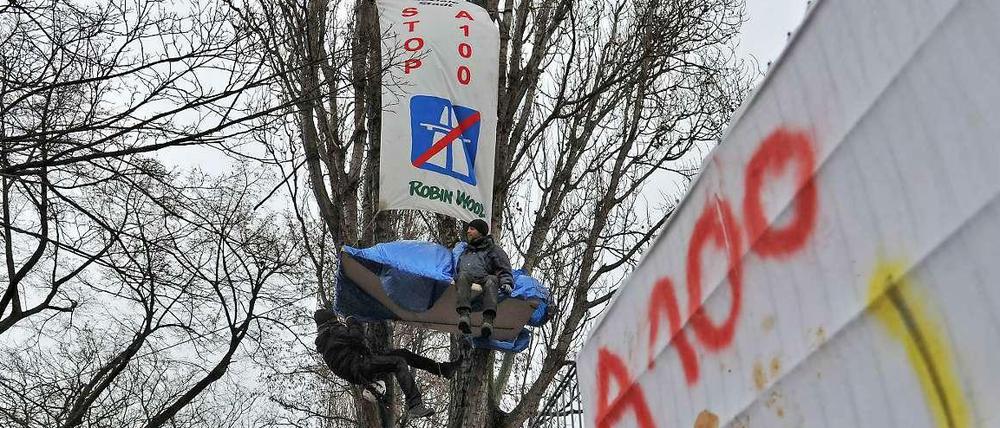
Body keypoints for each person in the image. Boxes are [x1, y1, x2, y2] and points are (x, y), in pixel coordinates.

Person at [313, 308, 459, 419]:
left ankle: (441, 369)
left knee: (402, 354)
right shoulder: (333, 332)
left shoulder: (326, 341)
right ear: (330, 321)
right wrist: (351, 320)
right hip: (361, 367)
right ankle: (415, 405)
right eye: (335, 319)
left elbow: (352, 348)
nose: (338, 321)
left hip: (359, 370)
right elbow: (357, 337)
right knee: (398, 362)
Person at [454, 219, 514, 338]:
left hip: (485, 277)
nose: (468, 231)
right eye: (468, 229)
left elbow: (503, 267)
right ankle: (464, 316)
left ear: (480, 232)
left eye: (472, 229)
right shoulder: (466, 251)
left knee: (492, 280)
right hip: (467, 278)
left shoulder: (493, 250)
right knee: (461, 276)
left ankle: (488, 320)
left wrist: (506, 282)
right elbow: (458, 267)